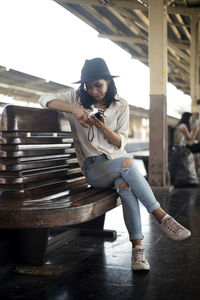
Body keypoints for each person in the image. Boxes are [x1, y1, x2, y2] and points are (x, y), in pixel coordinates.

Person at [39, 58, 191, 271]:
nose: (93, 91)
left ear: (108, 81)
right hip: (94, 170)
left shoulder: (121, 105)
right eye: (89, 86)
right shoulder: (75, 98)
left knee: (125, 186)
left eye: (98, 85)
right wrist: (74, 110)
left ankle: (137, 251)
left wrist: (103, 128)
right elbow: (44, 98)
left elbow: (120, 141)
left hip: (118, 165)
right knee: (128, 163)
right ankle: (161, 216)